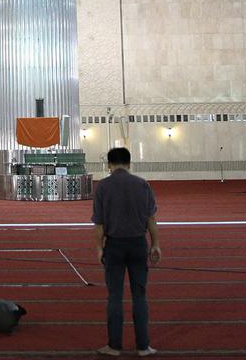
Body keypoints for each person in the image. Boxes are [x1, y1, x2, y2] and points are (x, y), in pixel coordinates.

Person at [92, 147, 160, 357]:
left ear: (109, 165)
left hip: (114, 246)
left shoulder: (103, 187)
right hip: (138, 244)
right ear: (129, 164)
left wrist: (99, 248)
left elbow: (99, 224)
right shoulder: (142, 184)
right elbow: (151, 219)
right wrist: (155, 244)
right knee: (140, 296)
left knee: (114, 296)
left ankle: (114, 346)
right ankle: (143, 346)